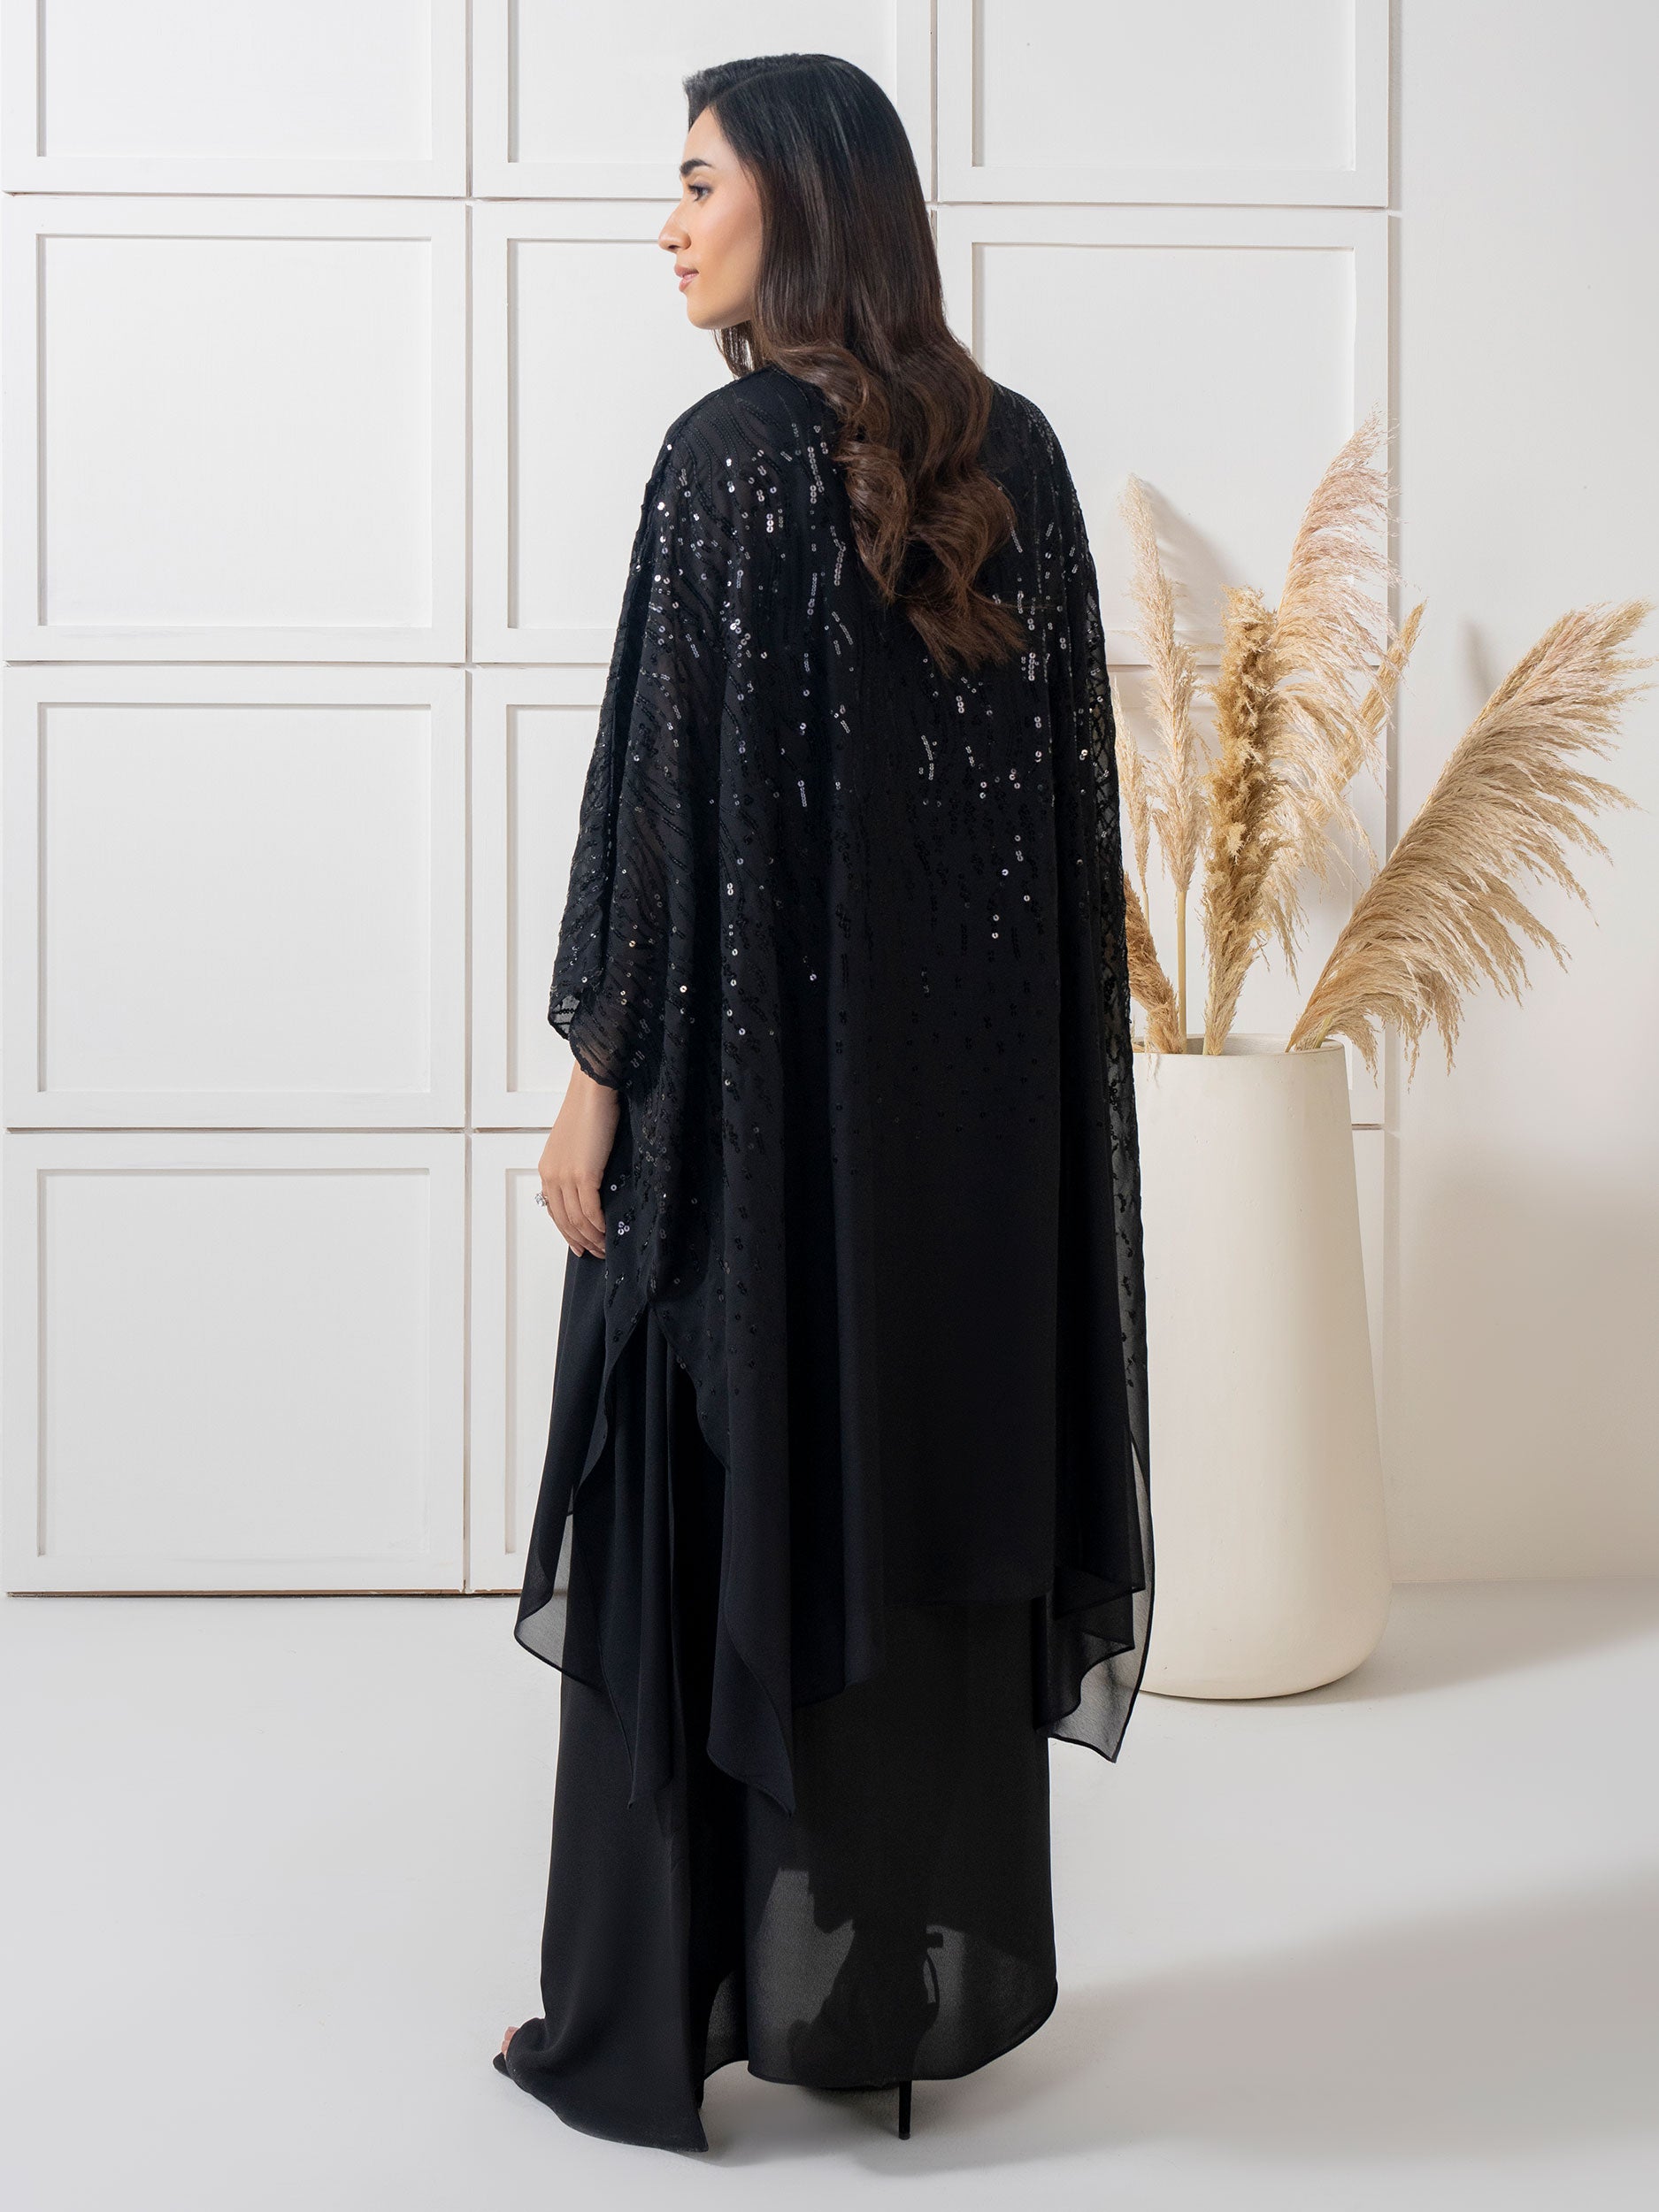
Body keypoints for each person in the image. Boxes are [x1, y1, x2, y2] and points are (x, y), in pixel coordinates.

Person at [492, 52, 1153, 2154]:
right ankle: (883, 1990)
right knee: (909, 1518)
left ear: (798, 195)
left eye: (696, 182)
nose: (668, 223)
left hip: (756, 1143)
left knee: (696, 1496)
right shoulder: (1014, 455)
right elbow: (1055, 840)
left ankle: (654, 2003)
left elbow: (659, 814)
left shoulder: (719, 462)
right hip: (962, 1151)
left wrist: (593, 1087)